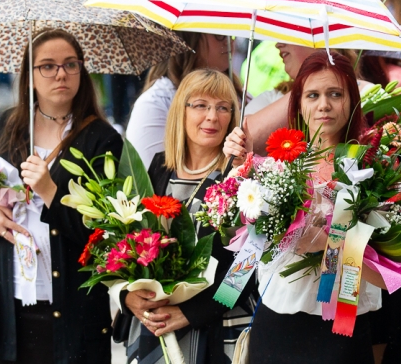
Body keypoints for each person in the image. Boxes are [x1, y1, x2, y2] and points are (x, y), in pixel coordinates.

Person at [0, 28, 123, 363]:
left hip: (71, 307)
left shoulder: (101, 139)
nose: (61, 74)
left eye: (70, 64)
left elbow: (104, 236)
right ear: (30, 75)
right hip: (11, 297)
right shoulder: (6, 125)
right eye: (47, 66)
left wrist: (51, 191)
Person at [224, 51, 385, 364]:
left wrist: (332, 245)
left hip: (342, 327)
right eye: (313, 95)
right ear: (298, 102)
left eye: (335, 94)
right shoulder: (275, 166)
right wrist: (235, 172)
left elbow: (390, 275)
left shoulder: (371, 169)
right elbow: (240, 242)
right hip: (277, 322)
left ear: (351, 100)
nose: (323, 105)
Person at [119, 68, 253, 364]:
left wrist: (190, 314)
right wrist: (128, 299)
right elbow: (125, 244)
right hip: (156, 328)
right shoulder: (158, 169)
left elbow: (248, 265)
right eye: (201, 105)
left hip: (219, 328)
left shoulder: (240, 177)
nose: (212, 117)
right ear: (181, 110)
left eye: (222, 107)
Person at [125, 32, 241, 169]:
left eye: (223, 108)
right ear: (190, 39)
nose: (229, 42)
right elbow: (144, 180)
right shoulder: (154, 104)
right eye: (219, 35)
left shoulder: (239, 92)